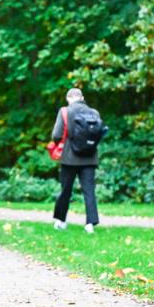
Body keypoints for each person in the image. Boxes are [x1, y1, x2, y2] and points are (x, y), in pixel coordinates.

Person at [51, 87, 102, 233]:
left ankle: (61, 221)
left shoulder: (65, 111)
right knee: (89, 190)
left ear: (68, 99)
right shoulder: (94, 112)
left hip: (69, 158)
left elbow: (56, 134)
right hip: (90, 157)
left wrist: (58, 145)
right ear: (82, 97)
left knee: (66, 190)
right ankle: (90, 224)